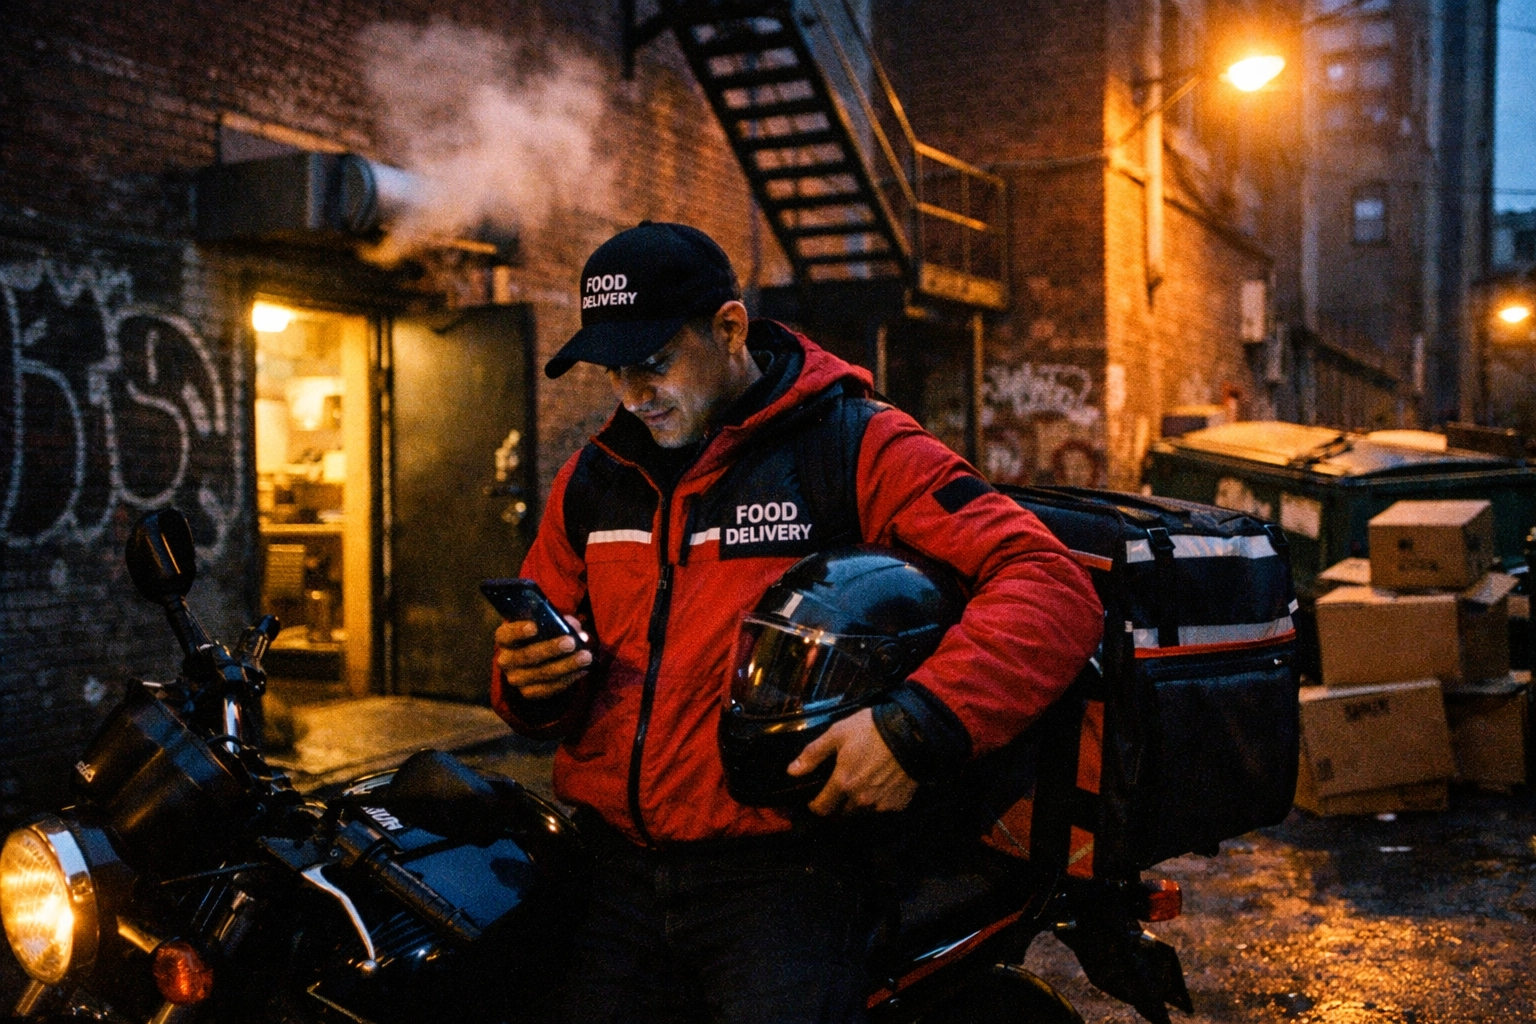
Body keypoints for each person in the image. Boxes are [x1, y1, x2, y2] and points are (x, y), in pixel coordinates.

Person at [491, 221, 1103, 1024]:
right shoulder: (593, 480)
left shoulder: (853, 446)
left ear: (730, 328)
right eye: (614, 372)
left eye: (654, 363)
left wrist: (912, 731)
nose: (634, 395)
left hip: (780, 883)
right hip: (615, 876)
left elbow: (1050, 584)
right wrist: (530, 682)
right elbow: (526, 688)